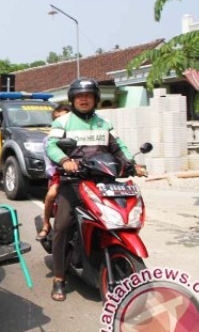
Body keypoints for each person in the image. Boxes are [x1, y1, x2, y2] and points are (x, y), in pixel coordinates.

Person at [45, 78, 145, 301]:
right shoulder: (63, 122)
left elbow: (118, 148)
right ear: (72, 99)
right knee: (62, 227)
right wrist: (64, 160)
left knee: (119, 216)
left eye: (88, 96)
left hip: (102, 181)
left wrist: (132, 164)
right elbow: (51, 145)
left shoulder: (103, 124)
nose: (83, 99)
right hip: (73, 183)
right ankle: (59, 278)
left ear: (95, 99)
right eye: (79, 96)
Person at [36, 104, 70, 241]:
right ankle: (46, 224)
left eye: (65, 117)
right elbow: (49, 164)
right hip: (60, 174)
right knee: (52, 193)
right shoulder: (49, 140)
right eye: (58, 118)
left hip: (84, 173)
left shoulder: (80, 134)